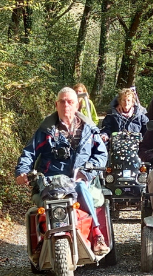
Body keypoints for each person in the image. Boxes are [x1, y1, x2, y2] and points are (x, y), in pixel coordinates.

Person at [15, 87, 109, 254]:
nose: (66, 105)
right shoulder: (45, 131)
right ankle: (42, 240)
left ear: (77, 105)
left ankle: (97, 233)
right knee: (44, 201)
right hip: (52, 180)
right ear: (56, 104)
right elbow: (29, 152)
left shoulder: (88, 130)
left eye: (70, 101)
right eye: (62, 101)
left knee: (80, 187)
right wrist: (23, 171)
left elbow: (101, 154)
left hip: (80, 179)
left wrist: (87, 172)